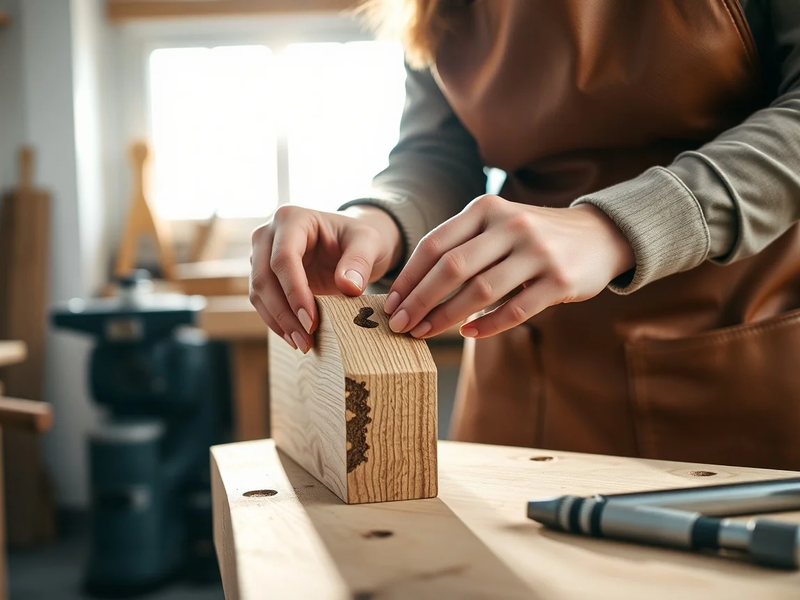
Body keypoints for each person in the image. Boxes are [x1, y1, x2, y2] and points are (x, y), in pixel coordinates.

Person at [250, 0, 800, 470]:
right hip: (513, 370)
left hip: (725, 353)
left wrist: (615, 227)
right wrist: (379, 220)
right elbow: (439, 150)